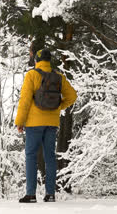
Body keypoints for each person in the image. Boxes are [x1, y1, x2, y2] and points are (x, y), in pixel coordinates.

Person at [15, 48, 77, 203]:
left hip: (34, 123)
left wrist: (20, 121)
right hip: (51, 123)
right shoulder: (59, 77)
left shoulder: (32, 75)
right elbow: (72, 96)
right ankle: (50, 194)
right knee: (50, 157)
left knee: (31, 156)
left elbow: (25, 100)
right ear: (49, 61)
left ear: (37, 60)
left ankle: (30, 194)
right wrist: (58, 107)